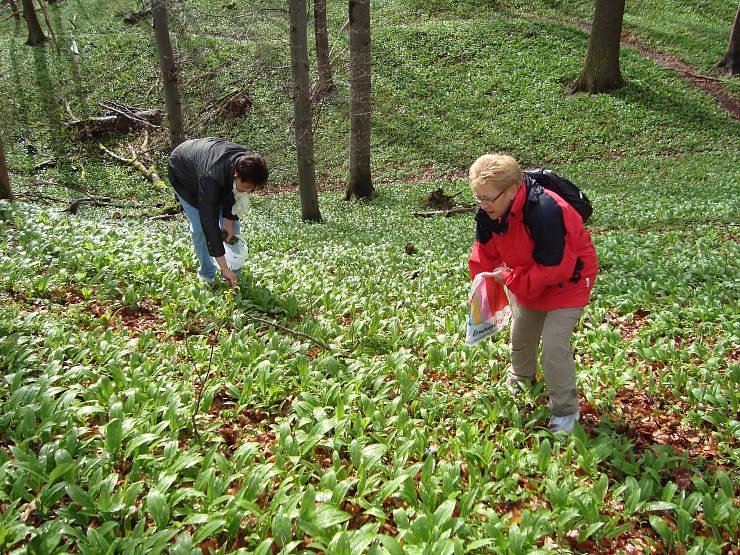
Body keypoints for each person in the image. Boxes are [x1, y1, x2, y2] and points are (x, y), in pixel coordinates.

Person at [468, 154, 598, 433]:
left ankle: (566, 412)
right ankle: (521, 380)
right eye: (479, 198)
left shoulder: (546, 210)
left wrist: (509, 278)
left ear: (512, 189)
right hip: (527, 274)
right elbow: (483, 253)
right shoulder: (489, 213)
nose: (483, 205)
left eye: (488, 198)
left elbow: (555, 269)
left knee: (553, 345)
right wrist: (480, 285)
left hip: (569, 280)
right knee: (522, 335)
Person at [167, 137, 268, 287]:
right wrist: (224, 268)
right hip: (183, 173)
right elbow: (209, 222)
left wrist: (228, 222)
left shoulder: (249, 163)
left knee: (232, 230)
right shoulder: (211, 179)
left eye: (252, 189)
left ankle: (234, 272)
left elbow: (235, 196)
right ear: (236, 174)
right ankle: (207, 274)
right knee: (200, 227)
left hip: (209, 164)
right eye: (247, 187)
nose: (249, 192)